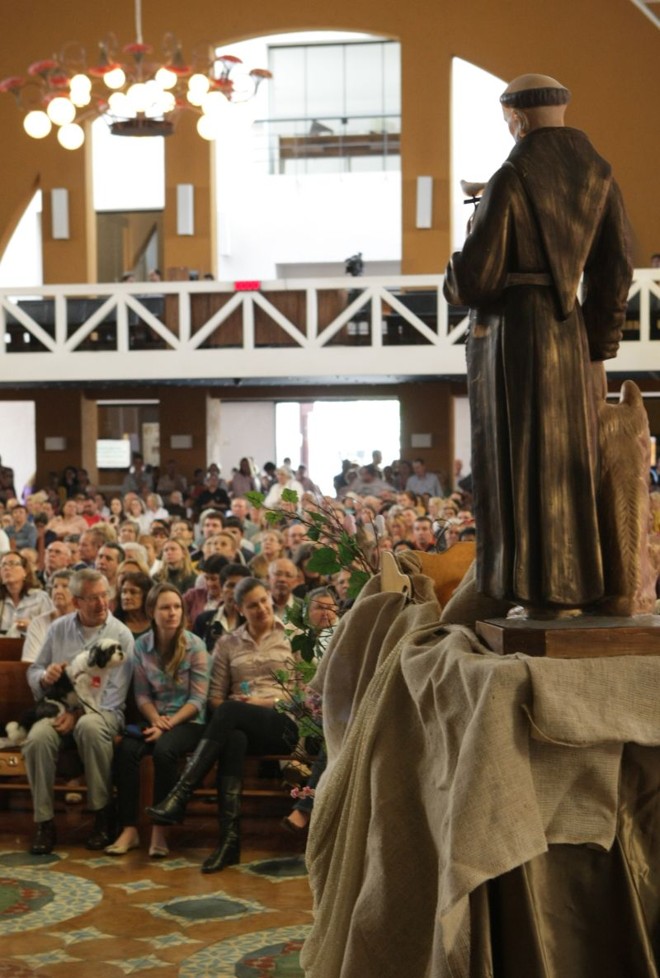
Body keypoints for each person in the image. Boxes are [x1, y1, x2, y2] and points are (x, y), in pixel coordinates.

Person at [443, 73, 633, 614]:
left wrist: (455, 264)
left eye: (508, 119)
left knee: (521, 459)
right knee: (569, 461)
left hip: (516, 333)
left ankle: (536, 590)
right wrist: (598, 345)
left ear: (518, 118)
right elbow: (615, 269)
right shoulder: (599, 173)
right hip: (568, 333)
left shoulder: (512, 174)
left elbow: (477, 277)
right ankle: (577, 585)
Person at [146, 577, 299, 873]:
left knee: (231, 712)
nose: (261, 609)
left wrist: (261, 704)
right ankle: (229, 843)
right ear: (240, 609)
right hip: (241, 724)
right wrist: (239, 707)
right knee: (234, 736)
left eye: (264, 601)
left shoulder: (292, 635)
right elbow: (214, 698)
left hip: (284, 723)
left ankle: (180, 794)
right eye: (252, 605)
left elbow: (305, 695)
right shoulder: (228, 643)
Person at [24, 569, 134, 855]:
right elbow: (34, 670)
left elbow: (114, 694)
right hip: (61, 706)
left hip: (103, 711)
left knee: (89, 728)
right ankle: (44, 822)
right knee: (37, 737)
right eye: (92, 598)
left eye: (104, 595)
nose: (102, 604)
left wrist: (78, 715)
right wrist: (44, 677)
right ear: (76, 602)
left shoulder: (120, 633)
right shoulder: (59, 628)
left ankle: (102, 816)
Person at [106, 583, 210, 857]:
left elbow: (197, 700)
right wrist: (156, 721)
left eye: (176, 607)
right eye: (165, 607)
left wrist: (168, 724)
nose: (172, 613)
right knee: (127, 750)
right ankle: (129, 829)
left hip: (189, 721)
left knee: (165, 751)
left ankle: (160, 830)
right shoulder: (142, 646)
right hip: (156, 719)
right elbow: (142, 696)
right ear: (152, 611)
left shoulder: (195, 645)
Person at [0, 550, 52, 636]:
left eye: (12, 563)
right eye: (3, 565)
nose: (6, 568)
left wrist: (32, 626)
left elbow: (52, 629)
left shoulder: (40, 598)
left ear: (25, 571)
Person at [114, 571, 153, 639]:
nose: (126, 597)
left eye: (133, 592)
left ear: (146, 595)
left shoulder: (157, 623)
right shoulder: (115, 624)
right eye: (124, 592)